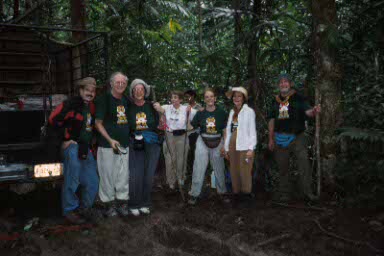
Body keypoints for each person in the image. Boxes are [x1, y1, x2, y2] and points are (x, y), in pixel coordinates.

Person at [49, 77, 99, 224]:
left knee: (92, 181)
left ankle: (85, 209)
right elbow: (53, 121)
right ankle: (69, 209)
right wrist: (63, 141)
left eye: (92, 91)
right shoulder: (70, 104)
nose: (90, 93)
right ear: (81, 90)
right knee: (73, 175)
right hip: (72, 146)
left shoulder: (92, 107)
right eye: (87, 90)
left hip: (85, 147)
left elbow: (93, 128)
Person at [268, 73, 320, 202]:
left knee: (304, 165)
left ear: (290, 84)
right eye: (281, 82)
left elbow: (307, 111)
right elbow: (271, 120)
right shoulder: (275, 101)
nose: (283, 84)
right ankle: (285, 194)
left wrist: (313, 111)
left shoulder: (299, 98)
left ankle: (307, 193)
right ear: (278, 85)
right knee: (282, 168)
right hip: (279, 138)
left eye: (286, 82)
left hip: (298, 137)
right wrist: (270, 138)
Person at [95, 72, 130, 217]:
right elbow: (98, 123)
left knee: (123, 175)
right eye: (117, 82)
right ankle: (108, 205)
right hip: (107, 145)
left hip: (124, 144)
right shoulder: (104, 100)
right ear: (111, 83)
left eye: (123, 82)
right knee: (107, 175)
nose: (120, 84)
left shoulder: (126, 100)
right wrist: (110, 140)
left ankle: (122, 203)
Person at [126, 79, 161, 216]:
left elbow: (161, 123)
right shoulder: (128, 107)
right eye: (135, 89)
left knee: (149, 173)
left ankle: (145, 203)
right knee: (136, 174)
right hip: (135, 142)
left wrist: (161, 111)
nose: (138, 91)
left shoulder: (152, 106)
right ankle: (134, 203)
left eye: (141, 89)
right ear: (132, 92)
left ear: (145, 91)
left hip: (152, 142)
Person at [188, 88, 227, 204]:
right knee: (198, 167)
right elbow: (191, 126)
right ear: (204, 100)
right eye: (207, 97)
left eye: (211, 96)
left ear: (215, 99)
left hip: (218, 140)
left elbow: (225, 129)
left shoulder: (222, 112)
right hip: (203, 140)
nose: (209, 99)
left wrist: (225, 145)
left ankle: (222, 192)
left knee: (219, 168)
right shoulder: (200, 113)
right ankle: (194, 193)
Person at [153, 91, 197, 190]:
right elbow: (158, 108)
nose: (173, 99)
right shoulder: (166, 108)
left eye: (176, 97)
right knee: (169, 159)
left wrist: (191, 111)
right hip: (169, 135)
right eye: (172, 97)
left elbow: (197, 115)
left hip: (182, 136)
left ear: (180, 100)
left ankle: (180, 179)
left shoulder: (186, 109)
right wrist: (157, 107)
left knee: (181, 158)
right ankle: (170, 182)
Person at [224, 86, 257, 204]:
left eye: (239, 96)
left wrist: (251, 148)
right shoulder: (232, 112)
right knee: (234, 170)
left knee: (245, 171)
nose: (236, 98)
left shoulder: (249, 111)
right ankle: (236, 194)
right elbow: (229, 130)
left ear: (243, 98)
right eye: (234, 96)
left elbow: (252, 131)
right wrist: (226, 148)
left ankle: (246, 194)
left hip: (245, 145)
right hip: (233, 145)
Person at [184, 89, 203, 183]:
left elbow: (201, 120)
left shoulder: (198, 107)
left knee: (193, 153)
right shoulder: (184, 106)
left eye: (189, 96)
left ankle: (195, 174)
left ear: (193, 96)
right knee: (186, 154)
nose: (187, 98)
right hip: (185, 133)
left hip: (195, 133)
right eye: (186, 97)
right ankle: (187, 173)